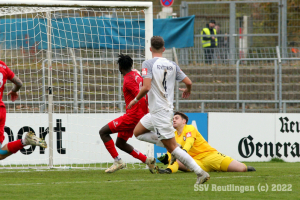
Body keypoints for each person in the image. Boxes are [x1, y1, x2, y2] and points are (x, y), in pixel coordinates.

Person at [127, 36, 210, 184]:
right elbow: (189, 82)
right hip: (158, 111)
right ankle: (174, 146)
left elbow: (146, 87)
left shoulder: (148, 63)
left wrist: (134, 100)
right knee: (137, 132)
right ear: (164, 49)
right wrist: (187, 90)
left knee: (171, 148)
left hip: (160, 111)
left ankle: (200, 172)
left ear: (150, 49)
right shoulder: (172, 64)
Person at [99, 54, 155, 173]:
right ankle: (147, 160)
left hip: (133, 116)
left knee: (103, 132)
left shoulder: (128, 80)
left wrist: (138, 105)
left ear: (120, 67)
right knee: (120, 143)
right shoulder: (136, 74)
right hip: (140, 114)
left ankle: (118, 161)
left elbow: (139, 94)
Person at [156, 112, 256, 174]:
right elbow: (172, 152)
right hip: (196, 162)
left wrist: (183, 152)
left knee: (241, 169)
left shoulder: (190, 128)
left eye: (176, 118)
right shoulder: (173, 136)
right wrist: (167, 158)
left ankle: (245, 166)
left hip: (210, 156)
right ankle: (168, 171)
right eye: (173, 118)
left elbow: (189, 142)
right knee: (175, 161)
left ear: (184, 121)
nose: (173, 119)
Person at [0, 61, 47, 160]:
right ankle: (25, 141)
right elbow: (19, 83)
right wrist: (14, 91)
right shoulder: (3, 66)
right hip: (1, 111)